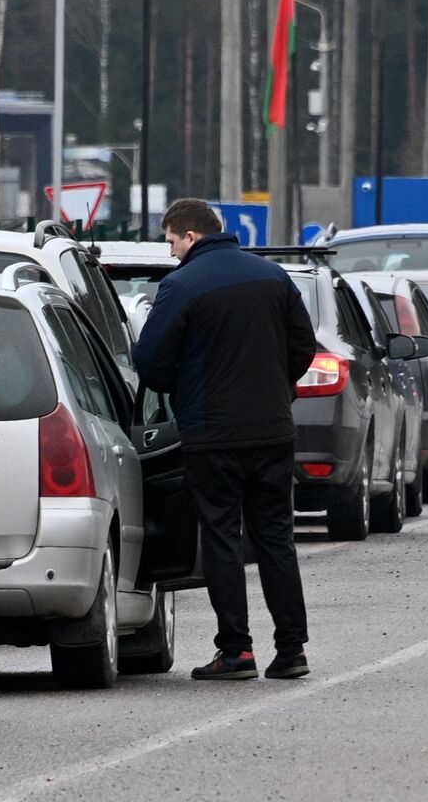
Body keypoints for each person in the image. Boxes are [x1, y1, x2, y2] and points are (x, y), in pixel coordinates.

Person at [132, 198, 318, 680]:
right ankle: (292, 650)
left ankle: (236, 651)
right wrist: (274, 388)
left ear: (190, 235)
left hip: (211, 435)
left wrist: (185, 389)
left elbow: (150, 362)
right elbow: (302, 346)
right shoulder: (273, 277)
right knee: (276, 537)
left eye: (171, 240)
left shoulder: (181, 285)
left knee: (221, 538)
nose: (170, 251)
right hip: (272, 429)